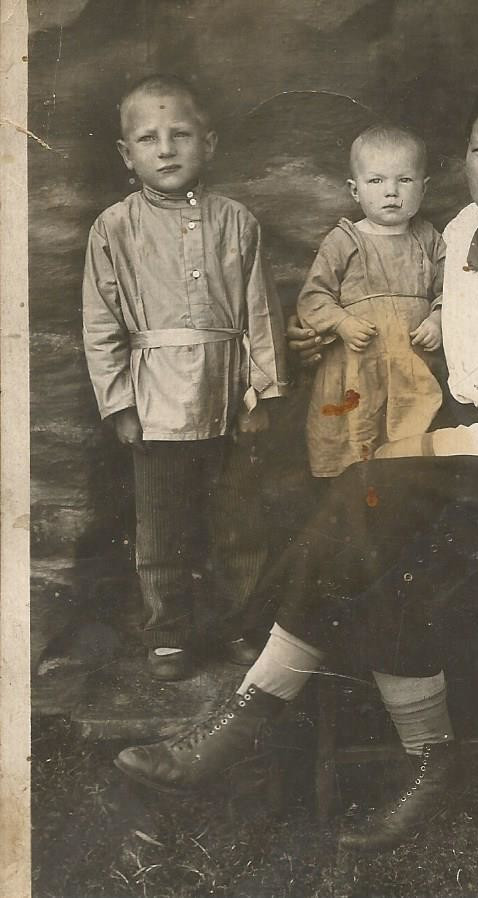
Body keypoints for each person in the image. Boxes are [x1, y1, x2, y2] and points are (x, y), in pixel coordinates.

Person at [114, 75, 478, 852]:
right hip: (476, 443)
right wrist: (334, 340)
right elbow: (451, 357)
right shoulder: (462, 230)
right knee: (362, 522)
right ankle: (379, 753)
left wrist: (415, 449)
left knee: (373, 517)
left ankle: (246, 728)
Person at [82, 74, 288, 681]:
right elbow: (102, 323)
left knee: (239, 524)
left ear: (210, 143)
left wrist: (263, 394)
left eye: (181, 134)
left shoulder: (237, 222)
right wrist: (120, 405)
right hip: (156, 403)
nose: (166, 149)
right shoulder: (114, 228)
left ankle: (240, 625)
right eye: (148, 138)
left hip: (229, 396)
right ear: (126, 154)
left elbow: (261, 314)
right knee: (161, 528)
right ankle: (168, 632)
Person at [297, 125, 445, 477]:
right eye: (376, 181)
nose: (391, 192)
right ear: (355, 189)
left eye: (404, 180)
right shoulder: (344, 240)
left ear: (424, 188)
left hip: (412, 369)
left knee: (409, 458)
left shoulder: (429, 239)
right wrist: (341, 322)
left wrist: (438, 318)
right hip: (356, 371)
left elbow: (454, 290)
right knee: (355, 450)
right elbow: (314, 297)